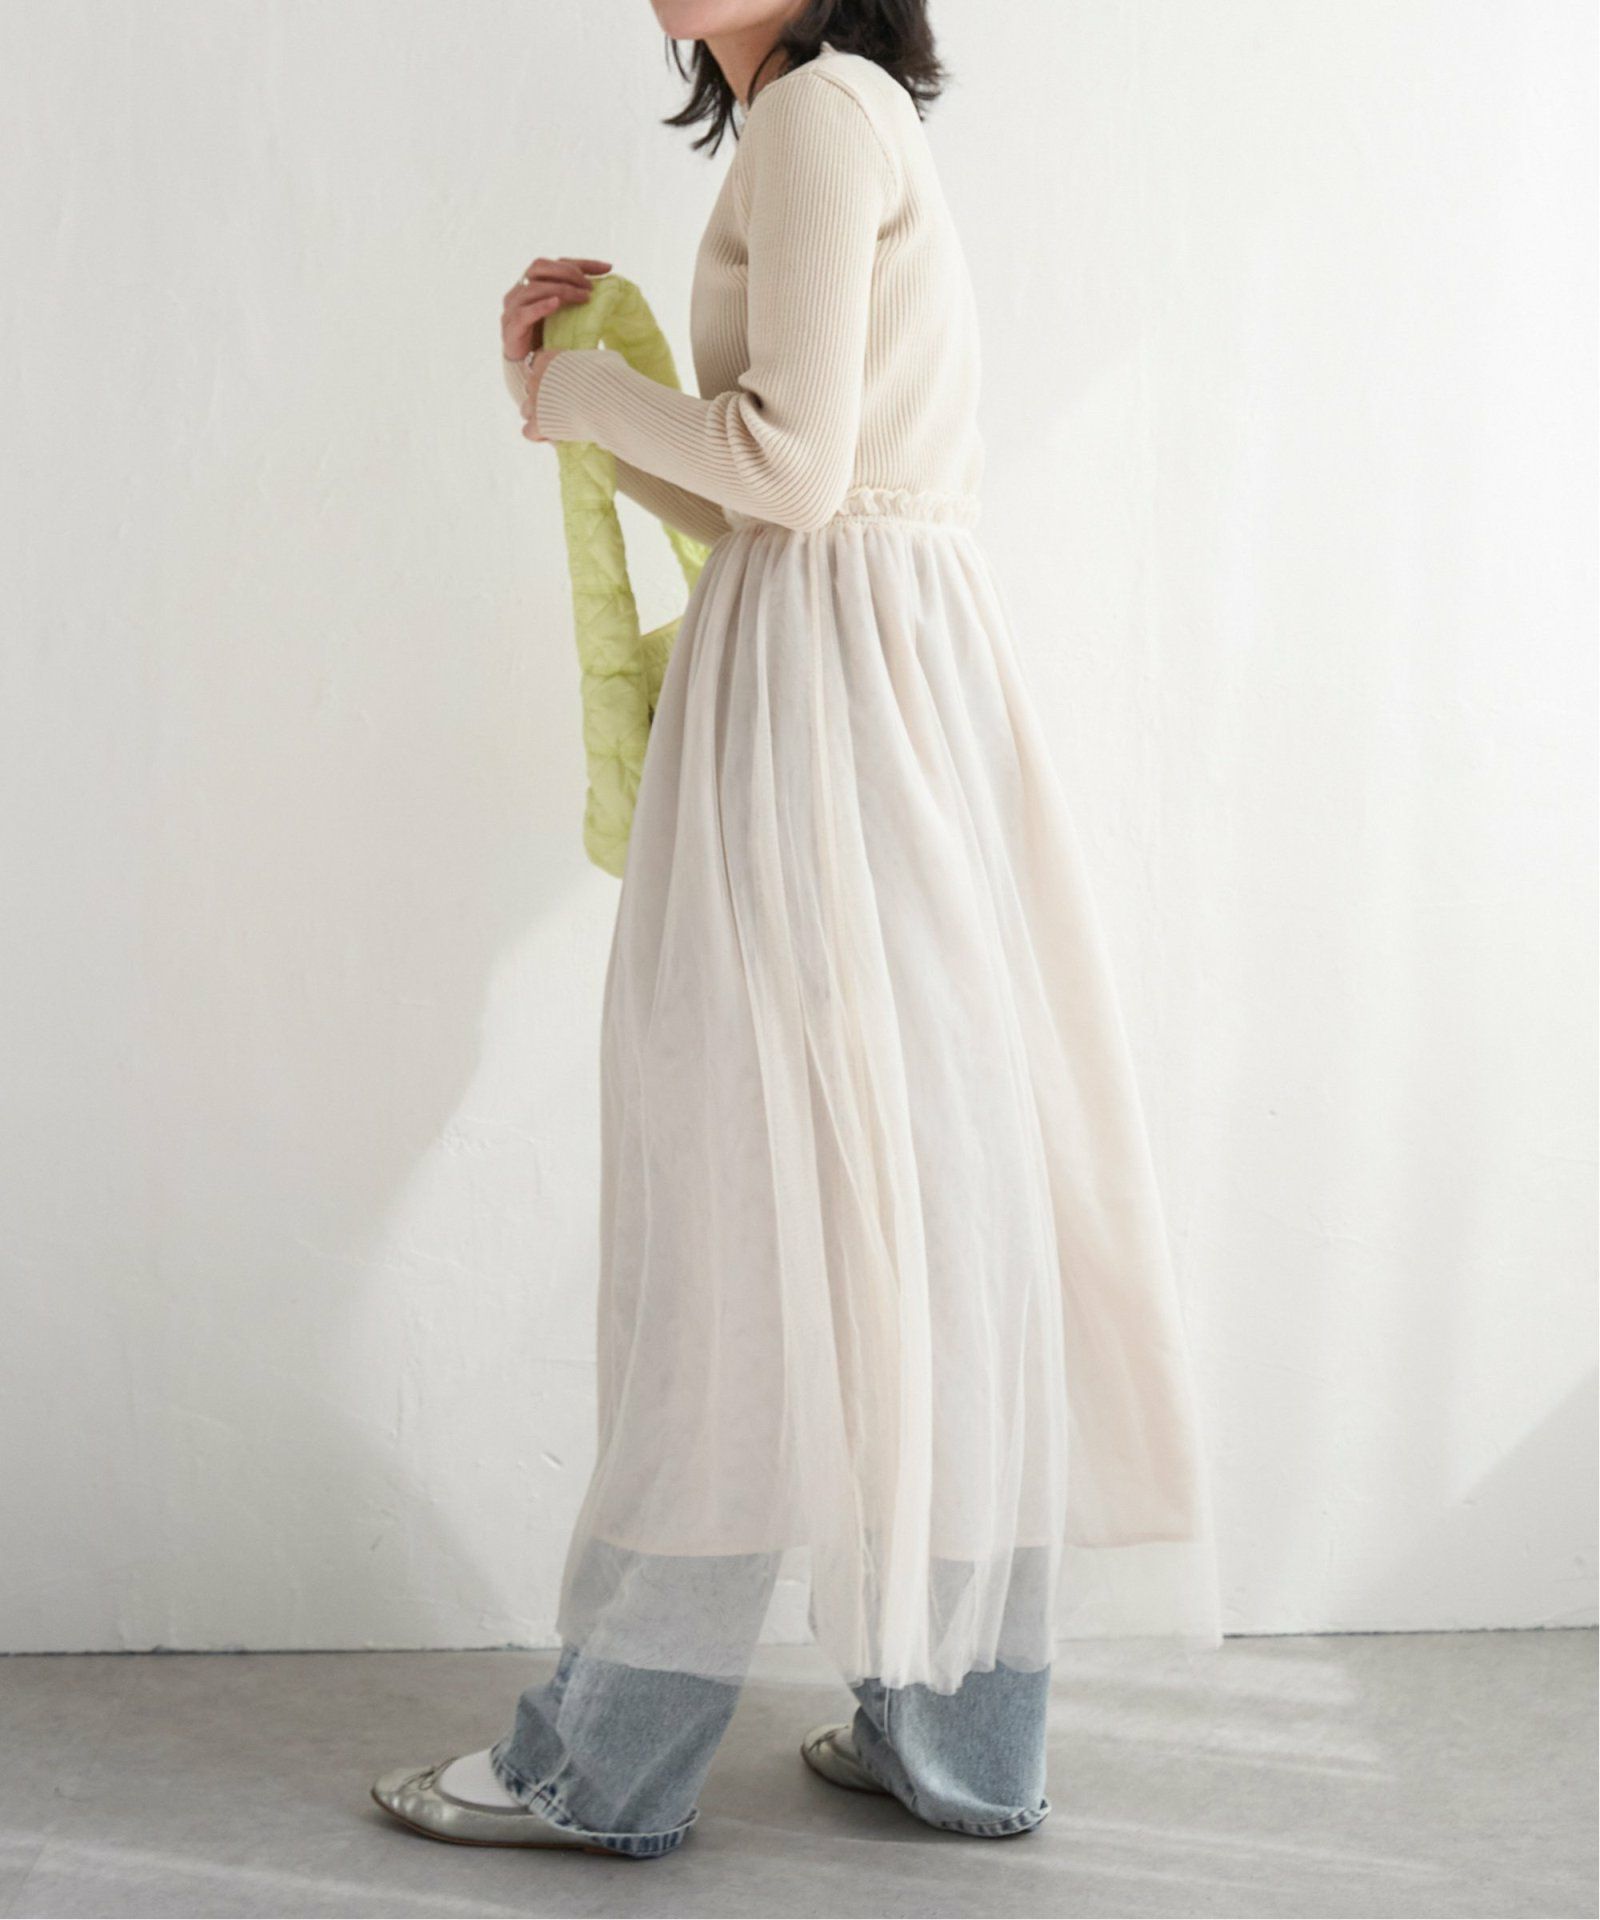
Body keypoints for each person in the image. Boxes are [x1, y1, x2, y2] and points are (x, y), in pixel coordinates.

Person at [372, 0, 1220, 1861]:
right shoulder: (829, 114)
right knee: (908, 1190)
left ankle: (609, 1760)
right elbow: (777, 486)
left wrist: (582, 398)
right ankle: (962, 1736)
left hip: (832, 711)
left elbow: (794, 472)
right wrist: (566, 393)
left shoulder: (821, 112)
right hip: (863, 684)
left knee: (736, 1213)